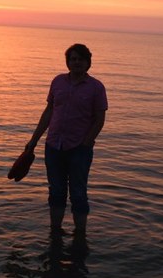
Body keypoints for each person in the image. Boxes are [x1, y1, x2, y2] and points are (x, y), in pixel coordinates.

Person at [25, 43, 108, 235]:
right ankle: (55, 231)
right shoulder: (58, 82)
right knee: (56, 191)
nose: (77, 62)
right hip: (54, 146)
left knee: (78, 193)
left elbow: (99, 119)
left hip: (79, 148)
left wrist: (86, 143)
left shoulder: (96, 87)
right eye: (73, 59)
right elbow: (49, 111)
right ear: (68, 62)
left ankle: (80, 236)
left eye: (81, 59)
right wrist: (33, 141)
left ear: (88, 63)